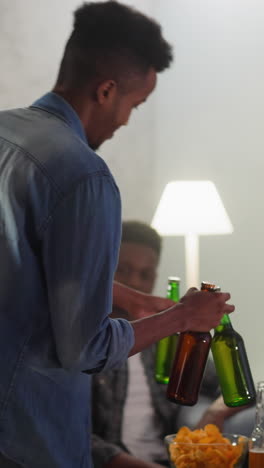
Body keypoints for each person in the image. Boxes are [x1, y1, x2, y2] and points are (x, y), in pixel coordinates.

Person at [0, 2, 234, 467]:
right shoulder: (85, 176)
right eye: (134, 104)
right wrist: (183, 317)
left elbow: (22, 269)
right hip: (33, 439)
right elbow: (87, 348)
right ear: (106, 91)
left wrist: (135, 299)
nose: (127, 120)